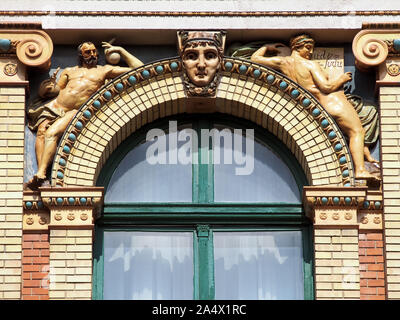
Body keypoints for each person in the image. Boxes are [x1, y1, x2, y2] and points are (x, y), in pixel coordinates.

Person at [251, 34, 378, 180]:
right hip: (334, 103)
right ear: (297, 47)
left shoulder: (282, 62)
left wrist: (266, 47)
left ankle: (364, 156)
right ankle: (360, 170)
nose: (310, 52)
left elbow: (255, 59)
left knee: (357, 129)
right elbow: (326, 86)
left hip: (317, 106)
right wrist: (342, 79)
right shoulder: (311, 64)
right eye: (308, 48)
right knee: (357, 131)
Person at [26, 41, 144, 189]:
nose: (93, 55)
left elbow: (138, 69)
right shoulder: (69, 71)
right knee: (42, 132)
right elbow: (58, 89)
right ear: (81, 55)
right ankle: (42, 176)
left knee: (51, 133)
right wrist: (47, 88)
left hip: (74, 111)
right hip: (54, 107)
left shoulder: (104, 70)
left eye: (94, 51)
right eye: (88, 52)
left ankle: (42, 172)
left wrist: (120, 50)